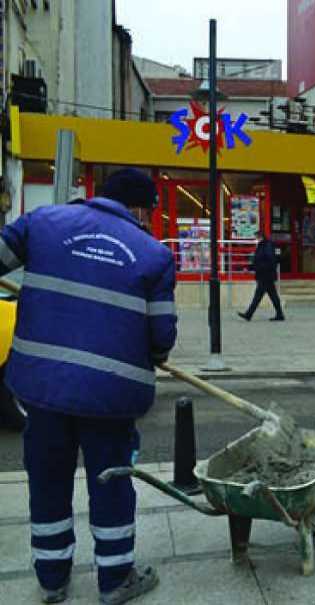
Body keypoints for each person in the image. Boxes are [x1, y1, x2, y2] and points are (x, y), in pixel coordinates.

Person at [0, 168, 177, 603]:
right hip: (110, 399)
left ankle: (52, 580)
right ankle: (115, 580)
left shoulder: (42, 223)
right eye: (148, 213)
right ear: (138, 208)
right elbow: (162, 336)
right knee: (111, 483)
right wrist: (154, 354)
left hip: (42, 390)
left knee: (47, 481)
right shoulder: (152, 254)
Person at [238, 230, 284, 321]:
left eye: (256, 238)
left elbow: (267, 260)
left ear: (260, 237)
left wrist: (256, 268)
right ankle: (280, 314)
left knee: (258, 296)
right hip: (265, 275)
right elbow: (257, 260)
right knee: (272, 295)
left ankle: (249, 314)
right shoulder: (262, 246)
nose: (255, 240)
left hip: (265, 275)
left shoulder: (266, 246)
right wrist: (249, 268)